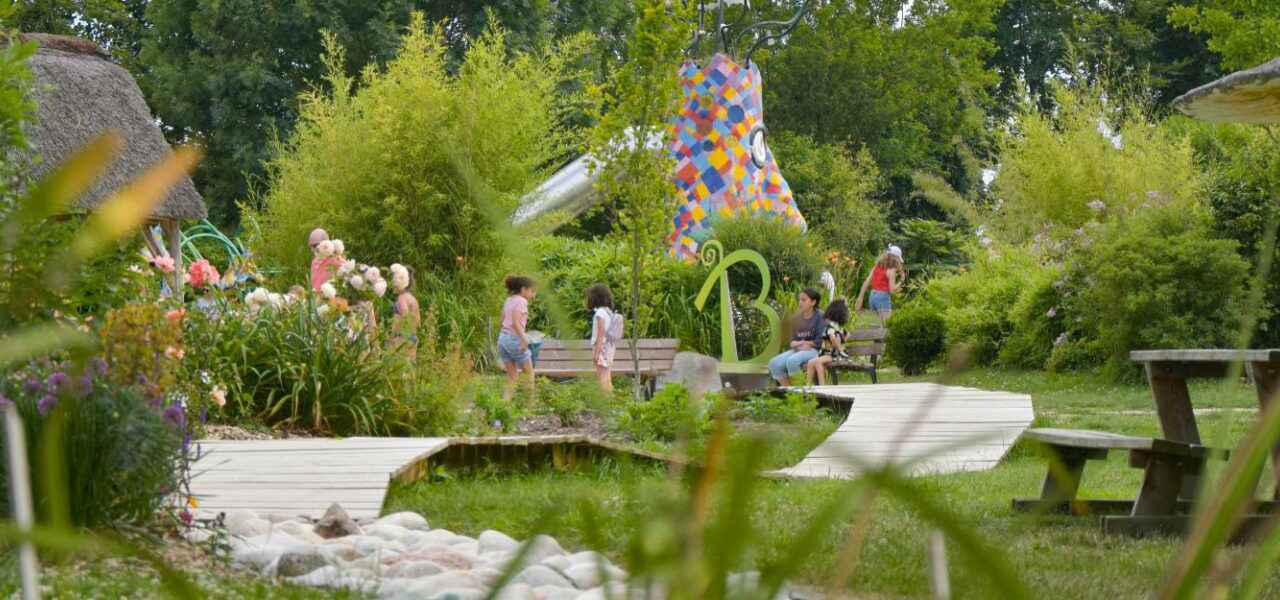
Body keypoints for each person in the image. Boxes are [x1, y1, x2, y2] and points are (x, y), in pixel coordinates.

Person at [767, 288, 825, 386]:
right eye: (799, 300)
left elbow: (819, 341)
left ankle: (800, 391)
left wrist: (806, 344)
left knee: (792, 361)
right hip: (798, 349)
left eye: (804, 300)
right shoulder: (795, 318)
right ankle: (792, 392)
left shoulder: (821, 317)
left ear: (813, 302)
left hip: (815, 350)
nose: (800, 302)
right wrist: (800, 344)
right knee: (773, 363)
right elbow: (792, 341)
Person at [498, 275, 537, 402]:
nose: (533, 295)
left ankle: (503, 406)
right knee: (529, 374)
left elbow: (502, 320)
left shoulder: (509, 300)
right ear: (523, 289)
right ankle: (529, 406)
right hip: (513, 339)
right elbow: (515, 322)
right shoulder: (522, 301)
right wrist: (525, 340)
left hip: (502, 339)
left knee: (512, 377)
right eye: (532, 291)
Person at [806, 298, 851, 386]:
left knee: (818, 362)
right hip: (829, 353)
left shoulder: (831, 326)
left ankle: (822, 387)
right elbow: (848, 334)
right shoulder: (837, 326)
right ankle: (807, 386)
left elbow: (833, 337)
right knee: (810, 362)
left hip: (833, 354)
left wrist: (839, 349)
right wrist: (841, 343)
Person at [855, 245, 905, 319]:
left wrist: (860, 297)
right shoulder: (891, 270)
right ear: (895, 259)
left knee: (879, 324)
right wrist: (901, 280)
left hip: (872, 296)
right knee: (887, 325)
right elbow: (892, 290)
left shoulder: (876, 266)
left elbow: (866, 282)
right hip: (883, 297)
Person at [586, 283, 619, 394]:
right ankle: (611, 399)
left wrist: (596, 353)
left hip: (602, 348)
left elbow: (601, 334)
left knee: (601, 378)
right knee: (607, 376)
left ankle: (605, 400)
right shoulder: (609, 312)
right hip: (609, 347)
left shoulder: (600, 313)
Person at [389, 264, 420, 358]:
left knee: (397, 370)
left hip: (401, 339)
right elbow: (418, 321)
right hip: (413, 337)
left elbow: (405, 316)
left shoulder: (401, 298)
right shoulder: (413, 298)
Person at [308, 228, 343, 292]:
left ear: (327, 243)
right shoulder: (314, 262)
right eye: (312, 246)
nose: (315, 249)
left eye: (316, 245)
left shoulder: (338, 261)